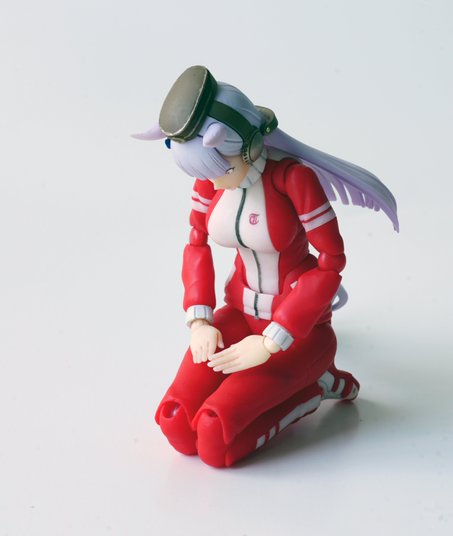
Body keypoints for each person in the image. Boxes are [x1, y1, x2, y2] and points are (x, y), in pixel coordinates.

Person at [133, 65, 398, 468]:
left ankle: (318, 385)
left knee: (214, 436)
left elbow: (331, 264)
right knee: (176, 420)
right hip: (238, 315)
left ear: (244, 147)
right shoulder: (210, 180)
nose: (213, 182)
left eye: (219, 170)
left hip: (299, 334)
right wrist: (200, 320)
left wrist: (274, 340)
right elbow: (196, 242)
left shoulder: (292, 180)